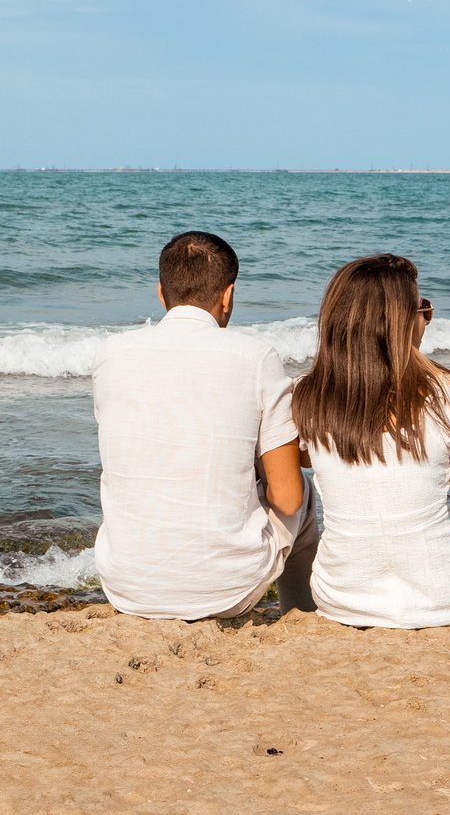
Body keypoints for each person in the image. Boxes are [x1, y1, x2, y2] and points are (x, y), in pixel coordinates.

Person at [91, 231, 319, 620]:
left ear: (161, 294)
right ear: (227, 295)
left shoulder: (109, 355)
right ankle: (301, 613)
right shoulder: (257, 357)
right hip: (224, 591)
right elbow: (287, 500)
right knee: (305, 494)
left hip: (125, 587)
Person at [292, 253, 450, 628]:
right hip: (446, 599)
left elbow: (311, 463)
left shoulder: (306, 397)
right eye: (422, 308)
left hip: (345, 598)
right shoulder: (445, 392)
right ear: (402, 323)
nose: (426, 318)